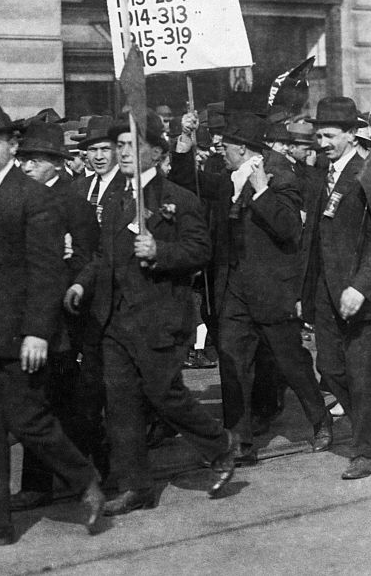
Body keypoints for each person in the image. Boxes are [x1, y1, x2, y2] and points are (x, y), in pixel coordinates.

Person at [0, 100, 104, 549]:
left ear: (12, 144)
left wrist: (37, 331)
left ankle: (83, 477)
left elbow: (47, 269)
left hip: (18, 330)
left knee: (27, 420)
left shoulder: (35, 198)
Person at [66, 113, 237, 514]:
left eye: (131, 145)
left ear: (156, 152)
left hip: (157, 316)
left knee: (164, 394)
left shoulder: (178, 198)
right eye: (119, 145)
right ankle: (135, 486)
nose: (122, 152)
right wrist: (82, 283)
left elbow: (200, 251)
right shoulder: (113, 198)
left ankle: (220, 444)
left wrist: (161, 252)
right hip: (114, 319)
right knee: (121, 404)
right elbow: (103, 256)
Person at [200, 110, 329, 463]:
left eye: (225, 146)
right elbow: (201, 186)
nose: (219, 152)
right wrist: (181, 152)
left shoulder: (279, 173)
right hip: (235, 289)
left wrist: (260, 194)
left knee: (290, 361)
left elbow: (289, 229)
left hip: (272, 288)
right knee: (232, 361)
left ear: (241, 149)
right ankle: (239, 442)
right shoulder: (230, 174)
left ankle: (320, 420)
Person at [302, 96, 371, 479]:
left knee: (362, 372)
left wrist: (360, 287)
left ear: (350, 134)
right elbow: (315, 238)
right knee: (329, 367)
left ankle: (364, 450)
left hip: (364, 295)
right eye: (319, 136)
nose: (322, 142)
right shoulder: (323, 174)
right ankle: (370, 420)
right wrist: (306, 292)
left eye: (329, 136)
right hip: (326, 293)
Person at [12, 121, 103, 510]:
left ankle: (94, 468)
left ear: (55, 163)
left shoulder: (73, 202)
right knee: (44, 399)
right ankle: (50, 480)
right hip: (31, 310)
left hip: (63, 315)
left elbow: (88, 256)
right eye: (24, 160)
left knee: (58, 400)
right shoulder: (22, 198)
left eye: (35, 161)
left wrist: (70, 274)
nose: (27, 167)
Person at [72, 115, 125, 226]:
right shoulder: (77, 186)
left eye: (105, 149)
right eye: (93, 150)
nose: (98, 157)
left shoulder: (128, 185)